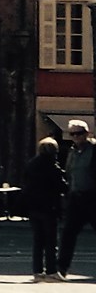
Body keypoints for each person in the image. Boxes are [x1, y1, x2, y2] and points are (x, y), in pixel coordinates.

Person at [25, 134, 68, 282]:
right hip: (49, 207)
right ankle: (51, 270)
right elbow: (61, 186)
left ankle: (37, 271)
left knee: (38, 241)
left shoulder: (31, 165)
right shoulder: (52, 166)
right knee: (51, 241)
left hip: (34, 207)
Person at [61, 120, 96, 276]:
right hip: (75, 198)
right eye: (72, 134)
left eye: (79, 133)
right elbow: (69, 173)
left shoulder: (94, 150)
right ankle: (61, 269)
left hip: (92, 197)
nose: (76, 137)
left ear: (87, 134)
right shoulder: (72, 152)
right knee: (68, 234)